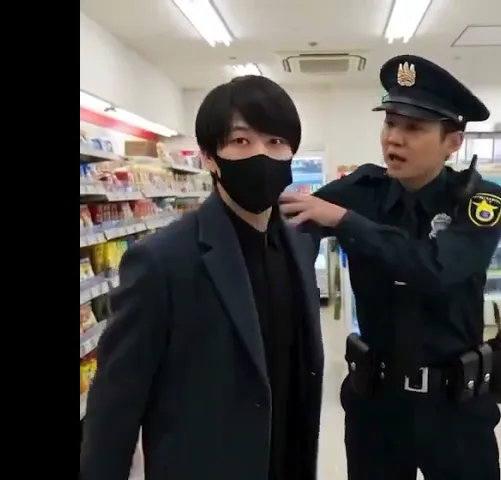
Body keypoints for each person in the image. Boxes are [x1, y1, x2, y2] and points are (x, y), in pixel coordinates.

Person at [80, 75, 324, 480]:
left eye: (276, 141)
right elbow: (114, 407)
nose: (262, 155)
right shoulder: (161, 261)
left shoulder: (299, 245)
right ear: (210, 157)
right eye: (241, 141)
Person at [280, 55, 501, 480]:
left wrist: (345, 222)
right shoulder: (361, 190)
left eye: (414, 128)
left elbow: (436, 268)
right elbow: (292, 223)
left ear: (453, 141)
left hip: (455, 409)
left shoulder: (481, 201)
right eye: (390, 123)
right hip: (375, 407)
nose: (394, 139)